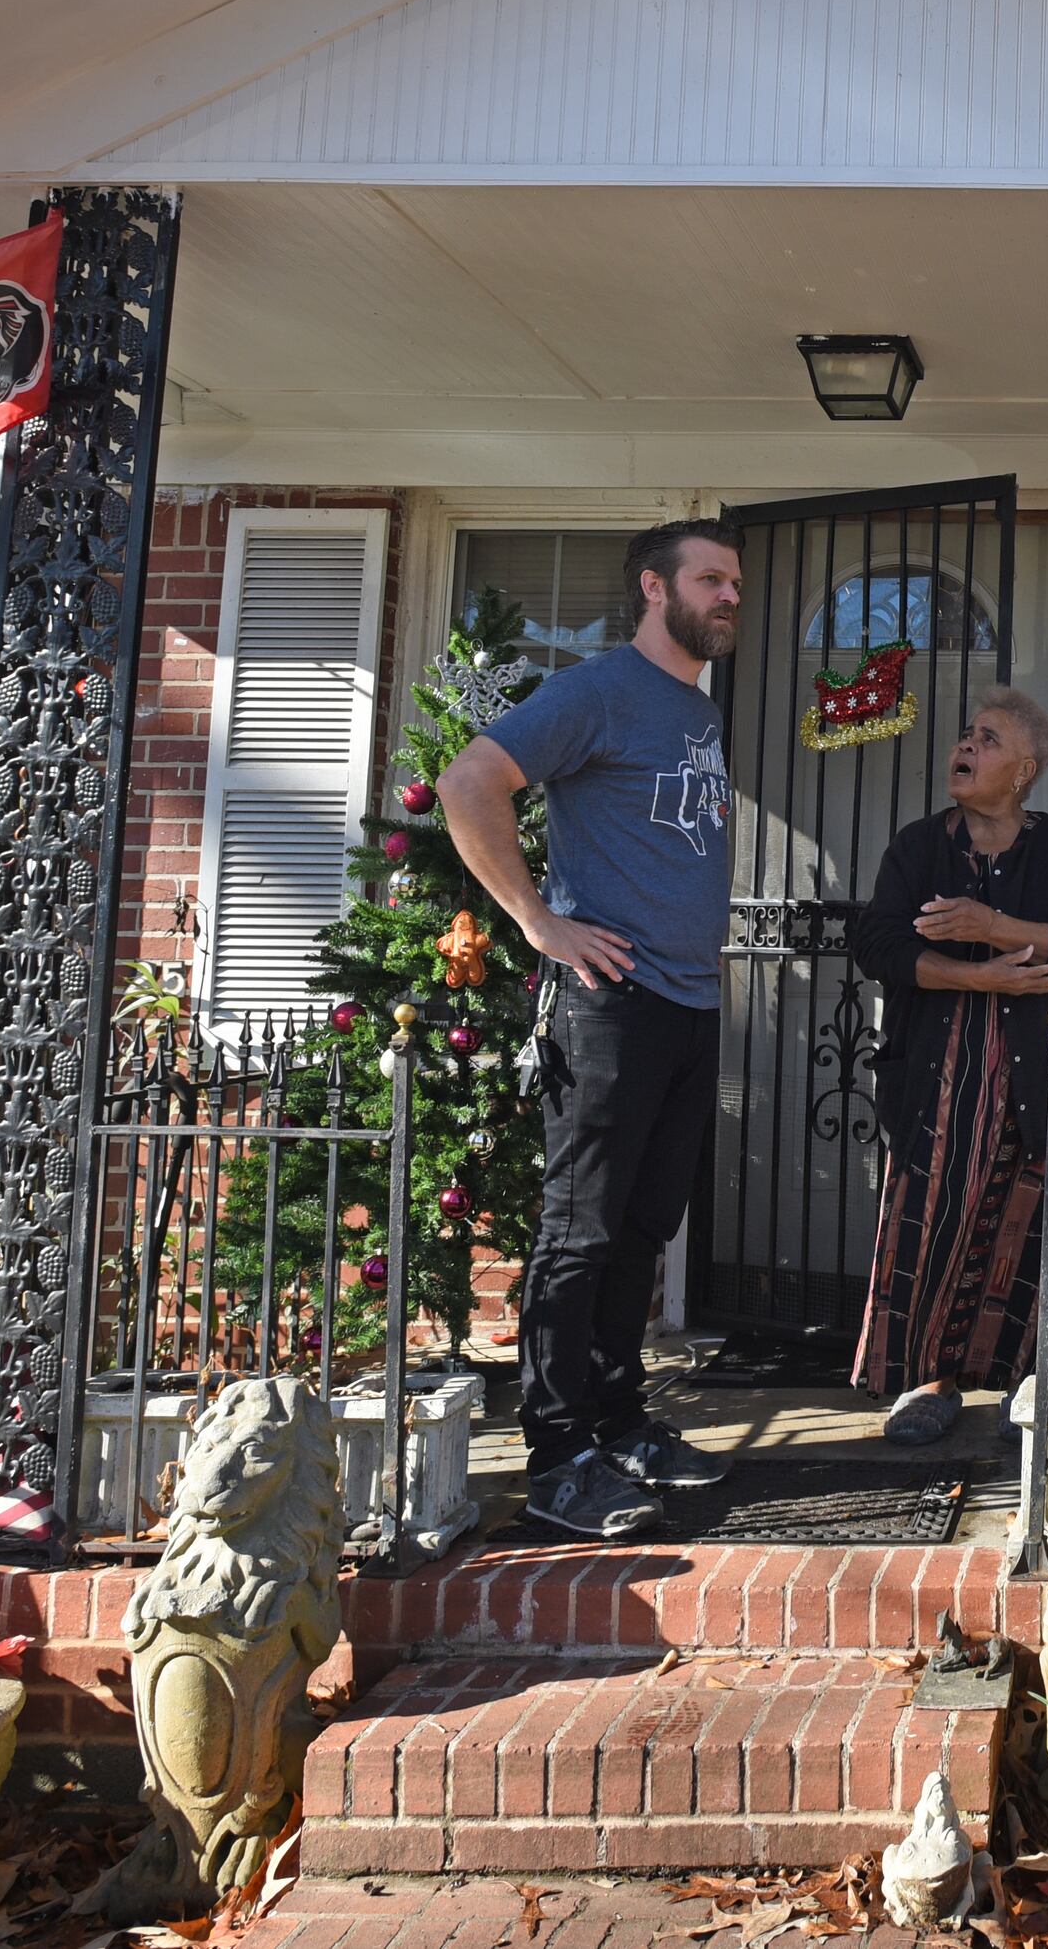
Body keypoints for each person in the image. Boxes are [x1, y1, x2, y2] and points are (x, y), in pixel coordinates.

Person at [439, 518, 746, 1539]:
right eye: (713, 579)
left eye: (736, 581)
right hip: (611, 1002)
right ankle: (559, 1452)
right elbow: (469, 782)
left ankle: (620, 1421)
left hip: (690, 1002)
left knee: (646, 1225)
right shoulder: (601, 688)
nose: (731, 595)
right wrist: (538, 920)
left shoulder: (693, 706)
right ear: (656, 590)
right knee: (581, 1231)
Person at [846, 690, 1048, 1446]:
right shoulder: (920, 847)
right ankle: (929, 1382)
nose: (965, 745)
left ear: (1023, 771)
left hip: (1034, 1080)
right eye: (966, 733)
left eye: (986, 738)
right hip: (939, 1076)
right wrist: (979, 974)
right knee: (929, 1223)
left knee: (1025, 1230)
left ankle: (1019, 1389)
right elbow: (879, 945)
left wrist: (992, 927)